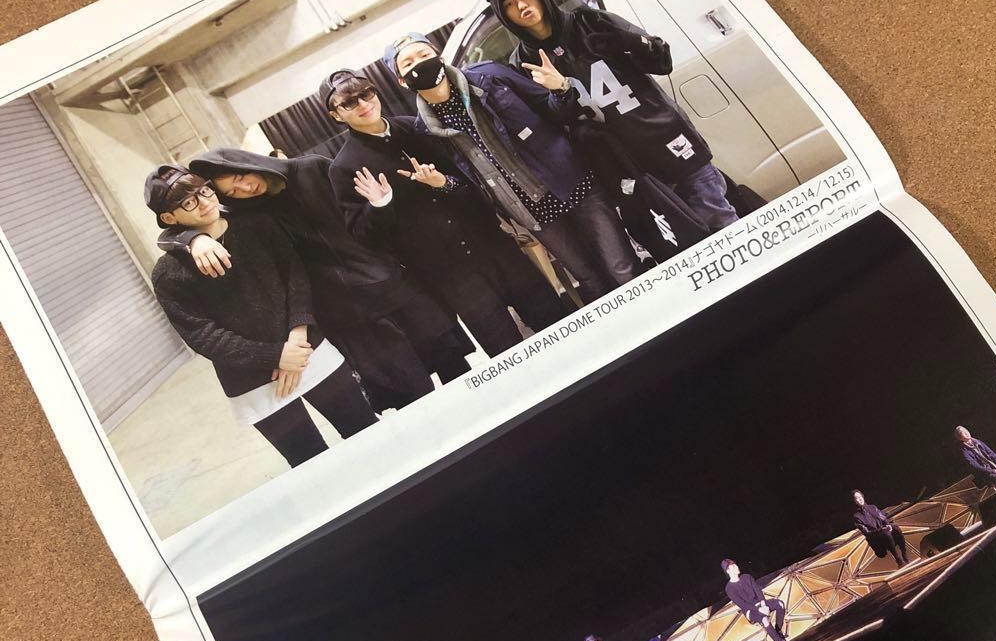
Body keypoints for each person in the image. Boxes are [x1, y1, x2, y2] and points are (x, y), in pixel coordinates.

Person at [156, 147, 473, 412]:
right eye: (231, 192)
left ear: (245, 162)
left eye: (240, 178)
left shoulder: (313, 169)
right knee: (414, 400)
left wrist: (380, 206)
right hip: (350, 317)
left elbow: (368, 224)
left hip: (395, 289)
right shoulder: (248, 213)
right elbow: (177, 228)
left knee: (459, 375)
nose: (245, 189)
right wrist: (191, 239)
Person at [322, 68, 566, 358]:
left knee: (556, 321)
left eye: (366, 93)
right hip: (449, 275)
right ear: (336, 115)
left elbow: (471, 182)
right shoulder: (345, 168)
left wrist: (443, 183)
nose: (363, 104)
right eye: (350, 102)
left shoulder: (418, 127)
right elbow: (366, 238)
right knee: (506, 354)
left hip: (493, 246)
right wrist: (380, 205)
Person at [144, 165, 378, 466]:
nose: (204, 202)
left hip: (307, 350)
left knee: (366, 432)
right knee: (310, 463)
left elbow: (296, 276)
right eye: (189, 202)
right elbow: (201, 335)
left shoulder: (256, 224)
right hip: (253, 380)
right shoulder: (168, 273)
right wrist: (275, 356)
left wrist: (297, 337)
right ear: (168, 218)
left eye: (204, 191)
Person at [386, 31, 641, 304]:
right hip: (530, 212)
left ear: (439, 56)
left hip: (574, 184)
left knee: (622, 268)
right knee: (588, 279)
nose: (420, 64)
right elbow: (466, 183)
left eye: (424, 55)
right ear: (402, 81)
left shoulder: (490, 77)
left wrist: (561, 89)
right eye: (408, 63)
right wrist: (442, 183)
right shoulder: (426, 130)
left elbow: (554, 111)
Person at [482, 0, 740, 233]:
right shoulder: (523, 63)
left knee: (720, 221)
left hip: (666, 140)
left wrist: (627, 41)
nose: (521, 5)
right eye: (509, 4)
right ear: (503, 15)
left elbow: (662, 61)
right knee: (682, 240)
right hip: (624, 168)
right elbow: (553, 123)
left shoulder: (589, 21)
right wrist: (560, 91)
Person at [722, 558, 788, 641]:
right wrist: (759, 609)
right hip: (749, 610)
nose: (737, 566)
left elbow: (758, 591)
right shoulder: (729, 589)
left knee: (780, 604)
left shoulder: (746, 577)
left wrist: (763, 605)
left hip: (760, 604)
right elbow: (743, 605)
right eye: (733, 566)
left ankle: (778, 631)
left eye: (735, 565)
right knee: (764, 619)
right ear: (728, 571)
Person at [955, 425, 996, 494]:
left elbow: (991, 453)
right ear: (960, 438)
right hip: (984, 473)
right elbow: (975, 466)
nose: (967, 433)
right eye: (964, 433)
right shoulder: (964, 451)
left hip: (994, 467)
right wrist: (992, 471)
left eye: (966, 431)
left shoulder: (978, 442)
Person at [852, 490, 908, 567]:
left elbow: (883, 518)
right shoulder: (857, 516)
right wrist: (881, 530)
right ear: (854, 501)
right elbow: (867, 532)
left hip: (884, 531)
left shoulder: (872, 507)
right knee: (886, 533)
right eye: (857, 498)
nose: (860, 499)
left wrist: (888, 525)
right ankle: (898, 559)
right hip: (876, 537)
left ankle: (904, 554)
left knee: (895, 527)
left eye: (860, 496)